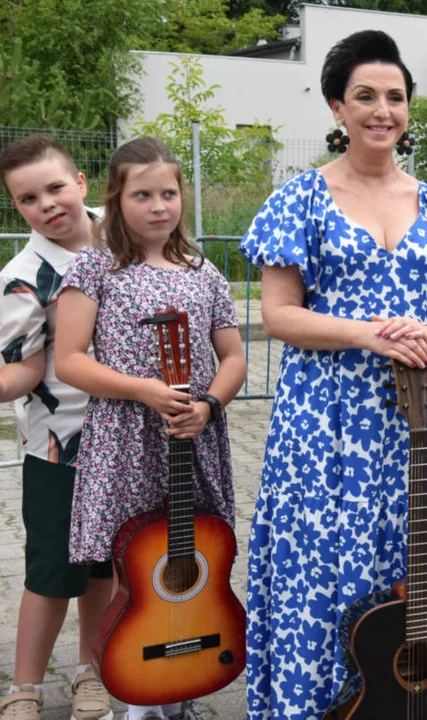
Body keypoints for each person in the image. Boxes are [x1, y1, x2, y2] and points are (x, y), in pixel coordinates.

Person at [239, 30, 427, 718]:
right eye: (365, 97)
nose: (383, 110)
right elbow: (280, 315)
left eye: (395, 97)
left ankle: (405, 699)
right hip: (325, 417)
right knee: (319, 560)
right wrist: (367, 334)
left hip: (416, 417)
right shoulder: (299, 201)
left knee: (407, 556)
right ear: (336, 108)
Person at [52, 136, 245, 720]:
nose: (159, 205)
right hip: (126, 439)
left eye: (169, 192)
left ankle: (181, 681)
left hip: (192, 435)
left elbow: (233, 357)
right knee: (134, 566)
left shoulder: (204, 271)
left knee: (191, 558)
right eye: (143, 194)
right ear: (116, 199)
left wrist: (208, 403)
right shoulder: (96, 266)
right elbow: (70, 359)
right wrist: (145, 391)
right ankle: (137, 689)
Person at [0, 135, 114, 720]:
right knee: (50, 571)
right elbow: (21, 369)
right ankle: (24, 687)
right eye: (27, 198)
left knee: (104, 567)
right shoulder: (24, 276)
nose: (46, 203)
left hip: (127, 441)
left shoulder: (126, 236)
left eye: (55, 187)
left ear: (82, 184)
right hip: (60, 447)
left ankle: (91, 673)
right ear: (17, 208)